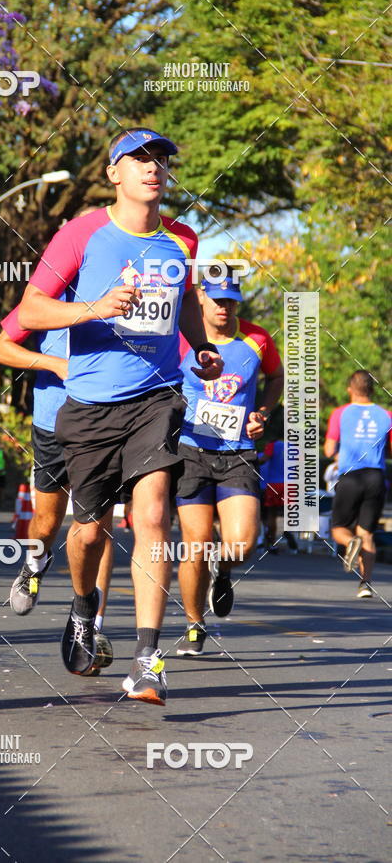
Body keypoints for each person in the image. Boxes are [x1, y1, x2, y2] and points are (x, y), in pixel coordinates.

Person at [18, 127, 223, 705]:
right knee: (87, 533)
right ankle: (84, 609)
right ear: (114, 173)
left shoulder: (182, 239)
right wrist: (92, 308)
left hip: (157, 399)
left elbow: (183, 304)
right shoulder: (81, 233)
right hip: (89, 405)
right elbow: (32, 308)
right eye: (138, 160)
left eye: (160, 159)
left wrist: (198, 346)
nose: (153, 168)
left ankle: (147, 660)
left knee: (153, 514)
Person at [0, 309, 114, 675]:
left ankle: (91, 625)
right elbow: (0, 349)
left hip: (105, 425)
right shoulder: (48, 294)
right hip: (52, 424)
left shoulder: (129, 294)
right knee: (46, 523)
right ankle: (34, 565)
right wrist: (56, 364)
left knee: (97, 531)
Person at [175, 274, 284, 656]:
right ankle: (194, 623)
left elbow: (277, 377)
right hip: (191, 451)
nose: (225, 307)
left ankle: (223, 571)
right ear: (201, 297)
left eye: (232, 301)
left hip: (238, 453)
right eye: (218, 299)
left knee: (240, 544)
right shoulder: (181, 336)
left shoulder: (257, 339)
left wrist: (263, 413)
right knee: (196, 544)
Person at [325, 370, 392, 598]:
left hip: (351, 476)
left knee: (337, 529)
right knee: (368, 534)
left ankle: (350, 542)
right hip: (376, 477)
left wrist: (340, 455)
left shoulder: (340, 413)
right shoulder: (386, 415)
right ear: (372, 390)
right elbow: (390, 450)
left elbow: (328, 449)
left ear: (350, 389)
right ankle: (365, 584)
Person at [259, 437, 300, 555]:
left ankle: (272, 543)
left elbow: (264, 460)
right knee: (289, 512)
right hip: (291, 483)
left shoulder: (272, 444)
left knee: (271, 514)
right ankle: (288, 533)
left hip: (274, 483)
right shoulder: (295, 446)